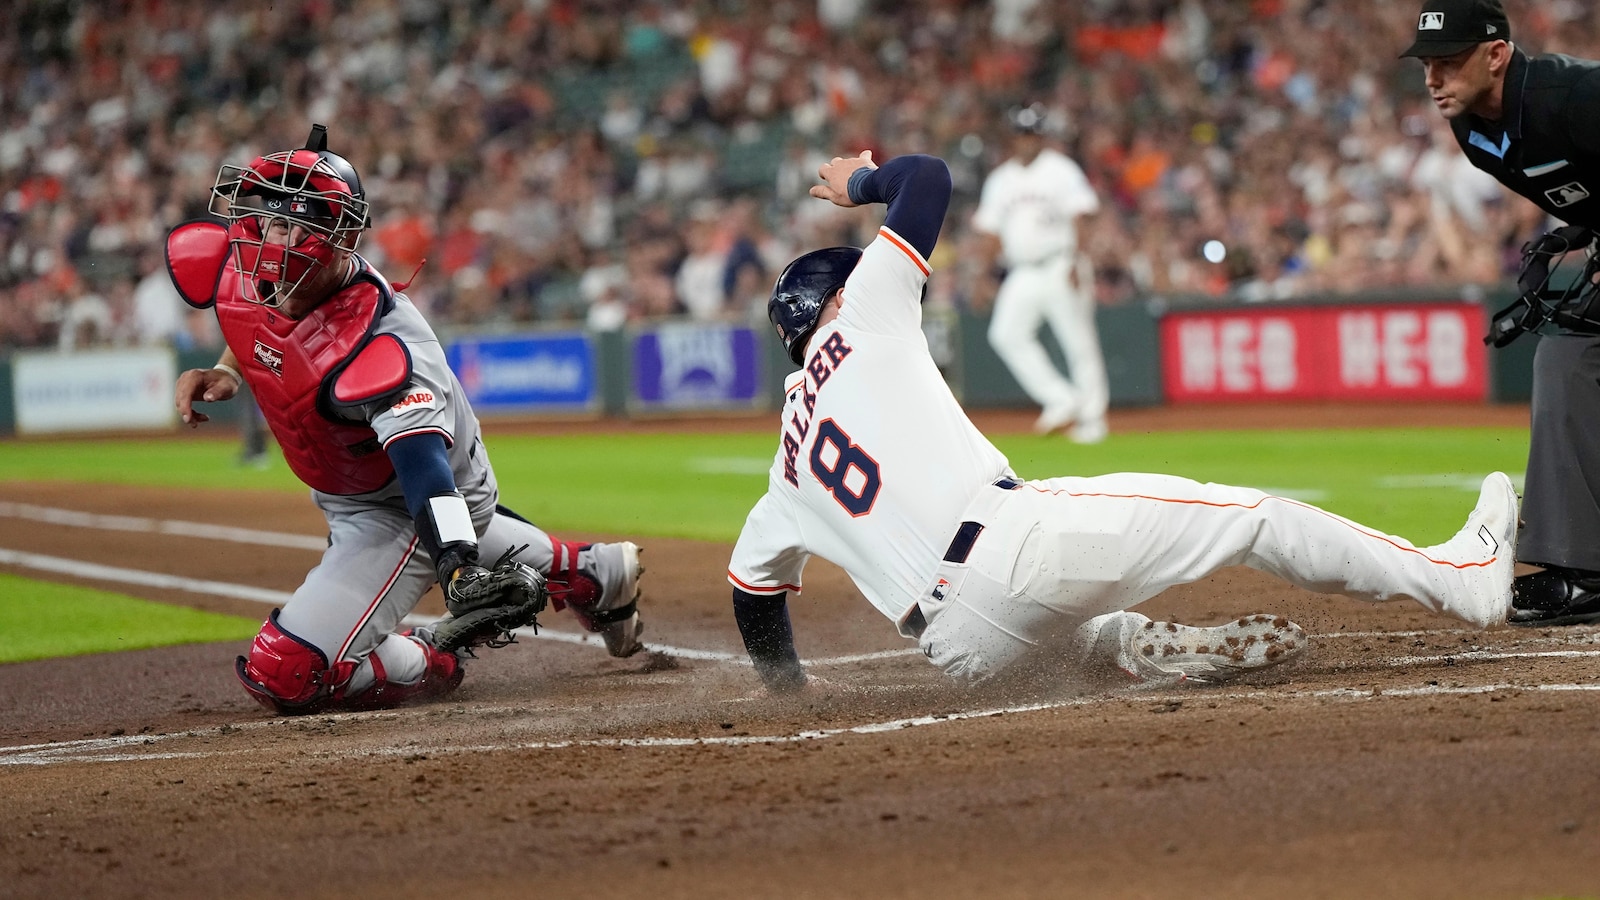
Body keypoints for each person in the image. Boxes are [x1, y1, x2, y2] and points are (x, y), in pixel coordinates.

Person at [726, 148, 1519, 694]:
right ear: (835, 300)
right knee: (1253, 517)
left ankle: (1137, 648)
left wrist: (789, 690)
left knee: (1077, 623)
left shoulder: (784, 470)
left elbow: (751, 595)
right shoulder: (861, 316)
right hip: (1015, 551)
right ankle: (1462, 583)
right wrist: (863, 181)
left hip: (960, 652)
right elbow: (926, 180)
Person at [166, 125, 647, 715]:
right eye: (267, 220)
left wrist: (457, 567)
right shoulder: (259, 271)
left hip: (406, 500)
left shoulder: (381, 344)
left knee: (287, 672)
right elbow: (257, 320)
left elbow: (424, 472)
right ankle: (591, 573)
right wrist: (229, 370)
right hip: (358, 487)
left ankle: (431, 655)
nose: (269, 240)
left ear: (335, 241)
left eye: (292, 227)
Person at [1401, 0, 1600, 626]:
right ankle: (1583, 570)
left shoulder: (1575, 94)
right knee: (1567, 355)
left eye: (1449, 62)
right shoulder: (1475, 133)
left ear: (1496, 55)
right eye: (1428, 64)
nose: (1434, 79)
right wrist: (1579, 232)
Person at [974, 103, 1109, 443]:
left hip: (1061, 262)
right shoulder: (1000, 179)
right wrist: (982, 275)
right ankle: (1061, 398)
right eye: (1021, 133)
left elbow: (1081, 216)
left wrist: (1078, 260)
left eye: (1032, 133)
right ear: (1012, 137)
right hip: (1022, 271)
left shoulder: (1060, 170)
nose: (1026, 140)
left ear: (1041, 136)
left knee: (1078, 342)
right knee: (1005, 334)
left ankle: (1092, 419)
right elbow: (991, 232)